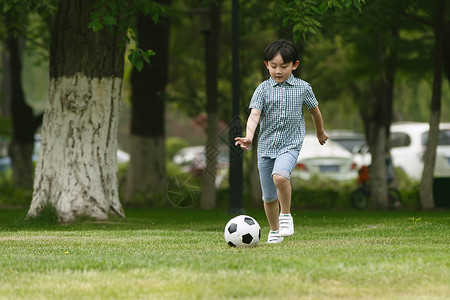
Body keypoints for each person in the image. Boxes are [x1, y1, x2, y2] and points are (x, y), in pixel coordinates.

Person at [235, 40, 328, 244]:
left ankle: (286, 215)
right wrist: (249, 136)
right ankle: (275, 231)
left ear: (294, 65)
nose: (278, 71)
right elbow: (254, 115)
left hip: (290, 145)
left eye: (284, 66)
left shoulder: (303, 88)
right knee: (268, 198)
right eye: (273, 66)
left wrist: (320, 132)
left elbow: (315, 111)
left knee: (280, 177)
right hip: (266, 147)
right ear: (266, 64)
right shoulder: (262, 89)